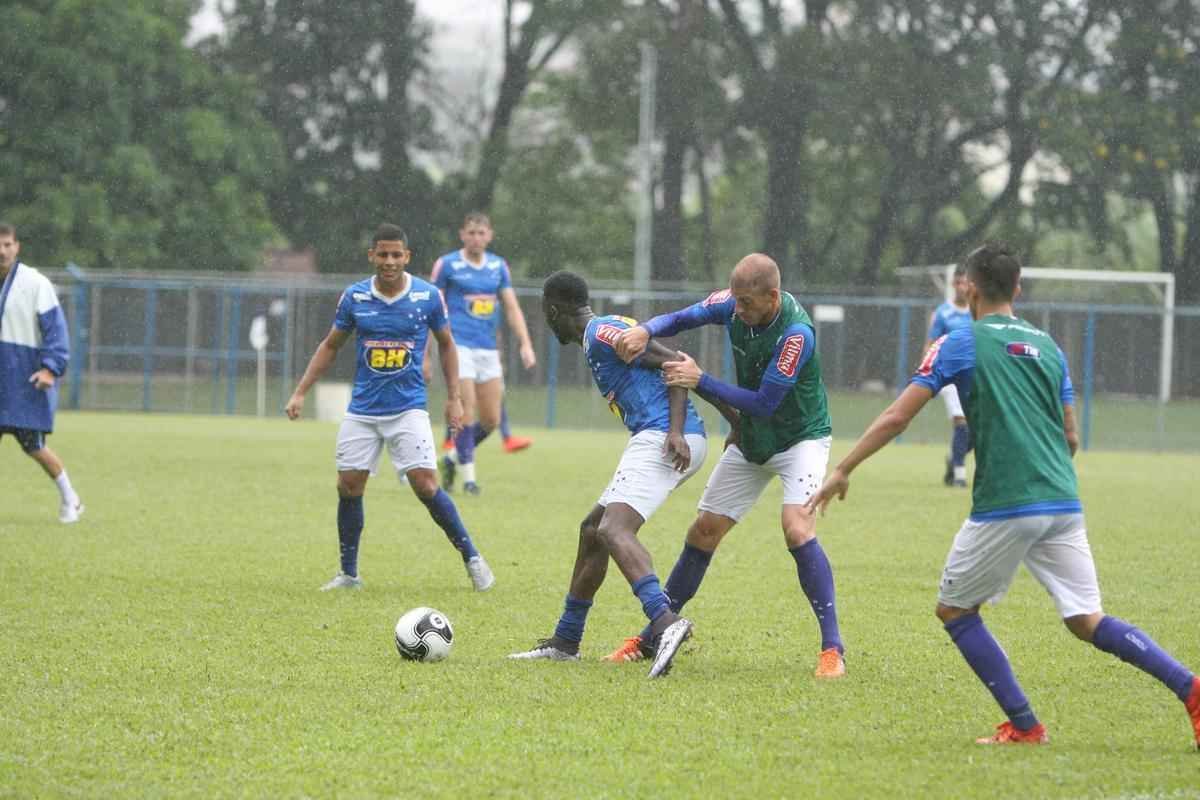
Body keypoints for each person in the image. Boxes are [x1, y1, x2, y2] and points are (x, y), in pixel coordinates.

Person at [806, 241, 1200, 746]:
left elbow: (897, 416)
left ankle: (1025, 724)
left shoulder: (959, 342)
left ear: (968, 287)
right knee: (1086, 619)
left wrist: (843, 469)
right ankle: (1190, 689)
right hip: (1062, 499)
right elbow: (1072, 438)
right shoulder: (1049, 347)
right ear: (1017, 287)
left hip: (1007, 504)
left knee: (955, 610)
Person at [611, 253, 847, 678]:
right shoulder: (736, 301)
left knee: (796, 527)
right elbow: (685, 316)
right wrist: (645, 329)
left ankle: (832, 649)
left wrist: (700, 380)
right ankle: (653, 636)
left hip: (800, 439)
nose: (737, 310)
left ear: (772, 296)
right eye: (735, 301)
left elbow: (765, 402)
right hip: (755, 438)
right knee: (703, 531)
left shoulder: (796, 335)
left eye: (746, 303)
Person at [507, 270, 734, 678]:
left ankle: (666, 623)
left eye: (546, 313)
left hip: (663, 438)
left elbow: (677, 362)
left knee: (613, 529)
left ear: (553, 310)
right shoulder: (601, 335)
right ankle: (566, 640)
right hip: (659, 436)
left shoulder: (601, 333)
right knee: (592, 528)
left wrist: (676, 430)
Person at [285, 223, 494, 593]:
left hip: (408, 408)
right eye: (382, 254)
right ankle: (349, 575)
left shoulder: (427, 297)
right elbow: (331, 345)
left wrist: (454, 398)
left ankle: (473, 558)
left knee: (426, 484)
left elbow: (447, 344)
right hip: (363, 409)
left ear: (406, 257)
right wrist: (301, 391)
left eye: (396, 255)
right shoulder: (355, 297)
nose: (389, 261)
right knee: (348, 485)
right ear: (372, 256)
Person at [428, 213, 536, 495]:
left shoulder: (498, 266)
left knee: (490, 421)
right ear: (462, 234)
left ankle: (450, 460)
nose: (476, 238)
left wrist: (525, 343)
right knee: (466, 412)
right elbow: (431, 308)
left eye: (481, 233)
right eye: (471, 232)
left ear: (490, 235)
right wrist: (427, 353)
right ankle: (470, 480)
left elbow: (511, 307)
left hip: (487, 349)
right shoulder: (448, 264)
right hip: (456, 345)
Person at [0, 222, 84, 523]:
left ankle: (70, 498)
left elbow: (56, 333)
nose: (2, 250)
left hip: (23, 381)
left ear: (17, 246)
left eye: (7, 244)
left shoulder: (36, 284)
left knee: (34, 446)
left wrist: (50, 369)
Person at [927, 263, 973, 487]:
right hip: (949, 376)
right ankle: (960, 475)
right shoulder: (943, 313)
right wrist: (927, 377)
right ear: (955, 284)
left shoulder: (977, 311)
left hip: (973, 376)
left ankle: (954, 459)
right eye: (961, 282)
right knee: (960, 421)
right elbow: (931, 346)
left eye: (968, 282)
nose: (964, 287)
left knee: (973, 429)